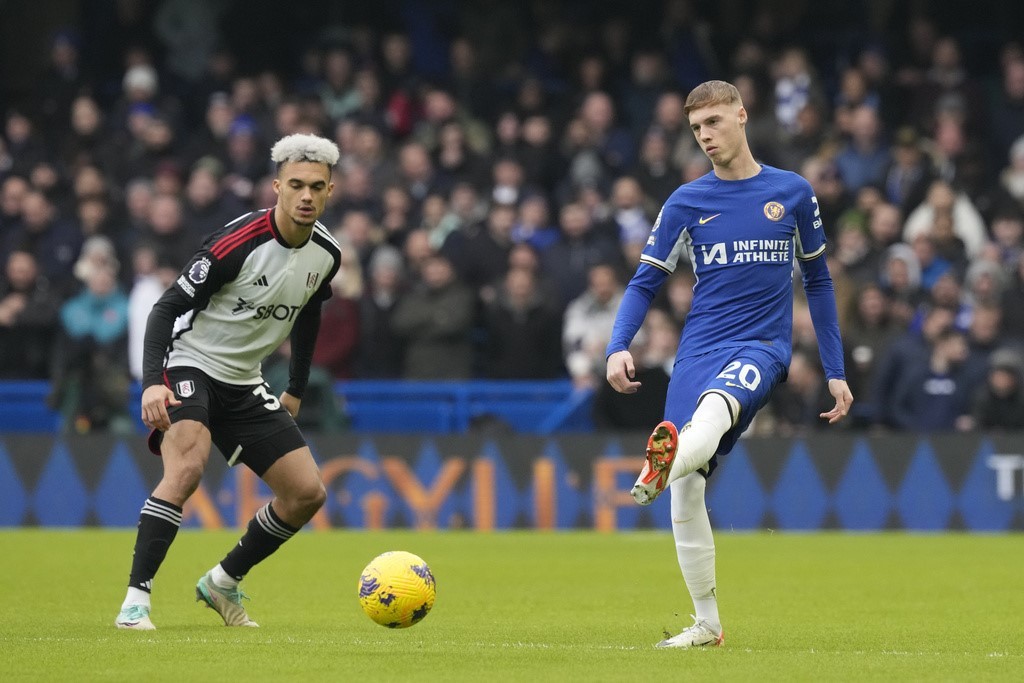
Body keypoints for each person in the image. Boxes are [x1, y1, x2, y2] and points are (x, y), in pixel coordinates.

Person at [605, 81, 852, 649]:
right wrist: (618, 344)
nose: (705, 137)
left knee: (716, 409)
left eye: (714, 122)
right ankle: (707, 623)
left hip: (762, 345)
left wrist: (835, 369)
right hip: (698, 348)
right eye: (696, 129)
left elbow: (818, 280)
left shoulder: (792, 193)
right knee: (688, 491)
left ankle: (659, 462)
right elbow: (646, 281)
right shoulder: (686, 202)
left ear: (742, 115)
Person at [114, 134, 343, 630]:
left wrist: (296, 388)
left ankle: (221, 580)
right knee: (187, 469)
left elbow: (307, 318)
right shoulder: (236, 243)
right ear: (277, 187)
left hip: (244, 380)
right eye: (297, 185)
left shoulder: (327, 254)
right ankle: (136, 601)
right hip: (191, 363)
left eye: (317, 187)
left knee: (307, 494)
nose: (306, 196)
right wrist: (153, 382)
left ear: (330, 192)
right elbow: (166, 307)